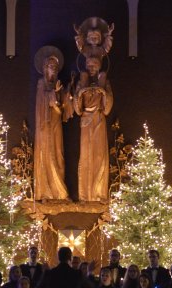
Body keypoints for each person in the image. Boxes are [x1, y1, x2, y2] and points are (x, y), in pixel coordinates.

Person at [73, 54, 113, 202]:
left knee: (99, 156)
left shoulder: (104, 82)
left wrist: (103, 92)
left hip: (99, 120)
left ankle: (99, 194)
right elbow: (77, 109)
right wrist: (80, 93)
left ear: (99, 67)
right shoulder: (81, 83)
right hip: (86, 123)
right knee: (86, 156)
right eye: (89, 66)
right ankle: (84, 195)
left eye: (94, 65)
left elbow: (107, 108)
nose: (91, 69)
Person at [33, 46, 69, 201]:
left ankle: (59, 192)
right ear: (45, 68)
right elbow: (44, 101)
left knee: (58, 153)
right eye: (50, 67)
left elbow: (62, 106)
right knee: (46, 153)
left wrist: (67, 95)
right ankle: (45, 192)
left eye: (55, 67)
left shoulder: (58, 85)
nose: (53, 70)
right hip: (44, 126)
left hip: (56, 123)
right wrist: (54, 94)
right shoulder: (41, 83)